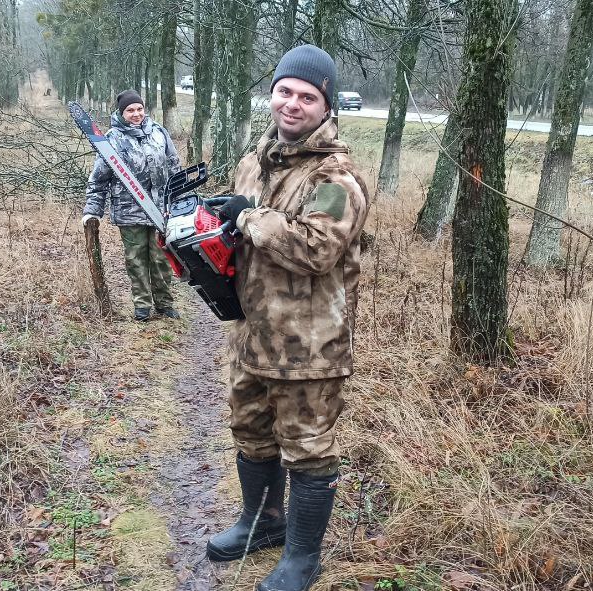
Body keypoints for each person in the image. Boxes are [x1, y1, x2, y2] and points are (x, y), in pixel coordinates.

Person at [205, 45, 370, 591]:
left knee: (308, 449)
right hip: (250, 334)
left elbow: (318, 247)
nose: (293, 104)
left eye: (307, 96)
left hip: (309, 346)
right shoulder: (256, 160)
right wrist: (204, 237)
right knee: (249, 431)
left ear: (326, 108)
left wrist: (248, 217)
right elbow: (238, 229)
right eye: (285, 91)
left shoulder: (336, 176)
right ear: (271, 93)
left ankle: (303, 556)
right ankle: (261, 522)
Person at [82, 90, 180, 321]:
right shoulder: (112, 139)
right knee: (136, 259)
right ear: (121, 112)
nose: (136, 114)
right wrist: (91, 210)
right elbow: (99, 179)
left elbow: (174, 166)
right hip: (129, 211)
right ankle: (142, 306)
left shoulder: (158, 133)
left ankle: (164, 303)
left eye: (139, 109)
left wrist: (179, 200)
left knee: (161, 258)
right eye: (130, 110)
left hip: (160, 209)